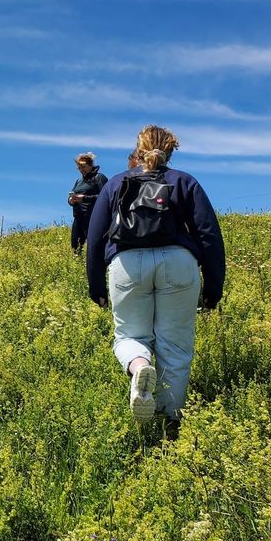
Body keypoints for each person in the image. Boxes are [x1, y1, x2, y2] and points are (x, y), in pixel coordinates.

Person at [86, 125, 226, 438]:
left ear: (137, 149)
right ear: (171, 150)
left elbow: (95, 237)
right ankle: (169, 426)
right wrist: (213, 288)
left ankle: (138, 367)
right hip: (178, 263)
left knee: (128, 336)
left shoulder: (117, 183)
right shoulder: (184, 181)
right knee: (175, 347)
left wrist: (96, 286)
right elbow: (208, 235)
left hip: (127, 264)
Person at [68, 152, 108, 253]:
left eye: (84, 167)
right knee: (75, 246)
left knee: (93, 246)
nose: (82, 170)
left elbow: (106, 197)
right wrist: (71, 200)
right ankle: (78, 265)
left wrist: (85, 198)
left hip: (93, 217)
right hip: (78, 218)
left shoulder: (99, 178)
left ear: (91, 166)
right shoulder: (79, 181)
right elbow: (72, 194)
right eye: (79, 168)